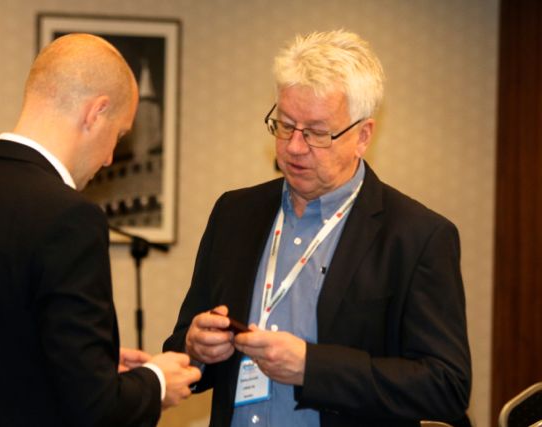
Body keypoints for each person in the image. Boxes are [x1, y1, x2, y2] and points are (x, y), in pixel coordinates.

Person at [163, 30, 471, 427]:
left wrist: (313, 367)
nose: (294, 146)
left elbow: (446, 386)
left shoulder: (417, 237)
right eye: (285, 124)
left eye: (317, 133)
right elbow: (181, 347)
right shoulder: (234, 214)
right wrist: (194, 348)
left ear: (363, 136)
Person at [0, 33, 200, 427]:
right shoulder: (71, 218)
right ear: (95, 112)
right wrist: (156, 382)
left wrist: (84, 365)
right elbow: (96, 409)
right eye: (118, 135)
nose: (110, 157)